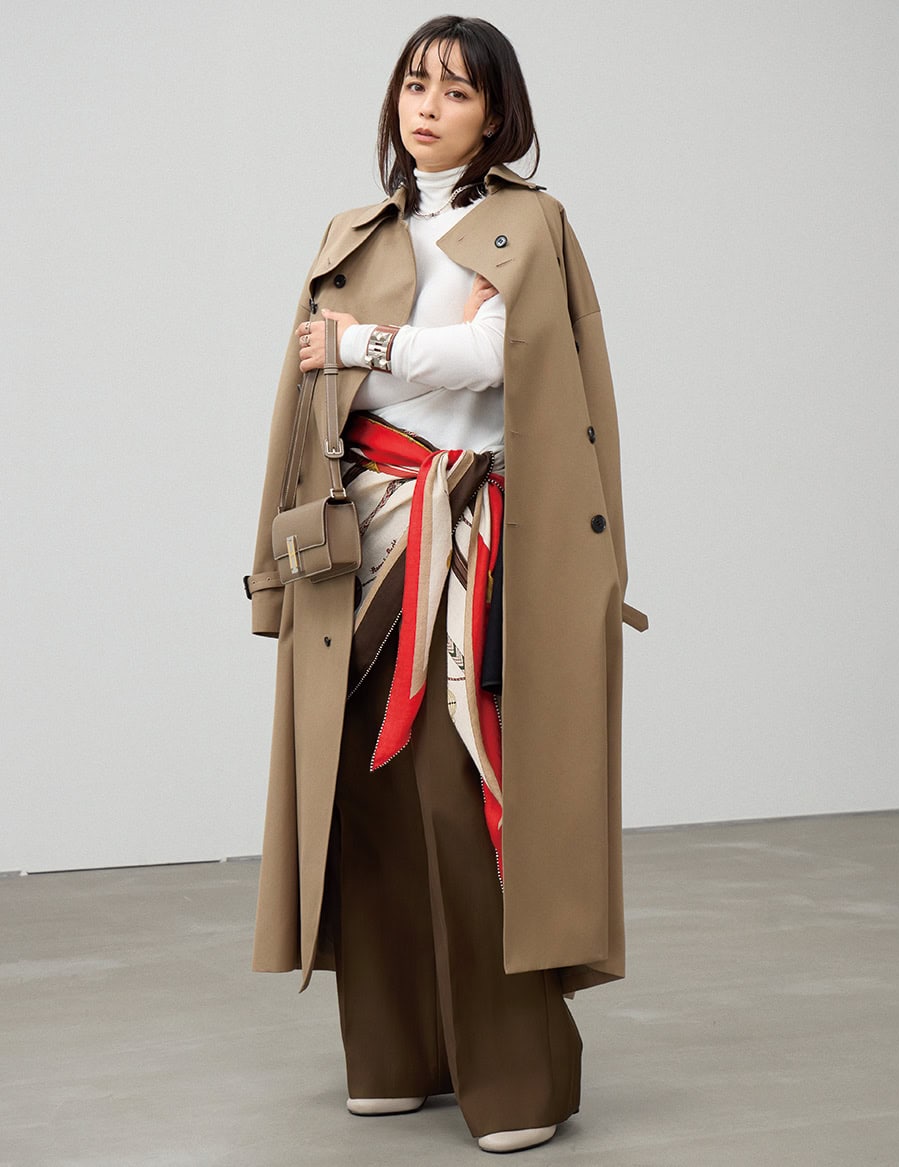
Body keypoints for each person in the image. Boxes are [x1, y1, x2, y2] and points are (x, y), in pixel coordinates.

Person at [244, 14, 646, 1155]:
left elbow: (499, 363)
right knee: (360, 797)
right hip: (360, 541)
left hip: (475, 541)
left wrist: (364, 349)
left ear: (496, 114)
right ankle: (395, 1053)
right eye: (415, 84)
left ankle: (517, 1077)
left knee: (459, 797)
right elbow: (306, 409)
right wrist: (272, 567)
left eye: (457, 92)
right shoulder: (354, 231)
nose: (428, 107)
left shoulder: (526, 225)